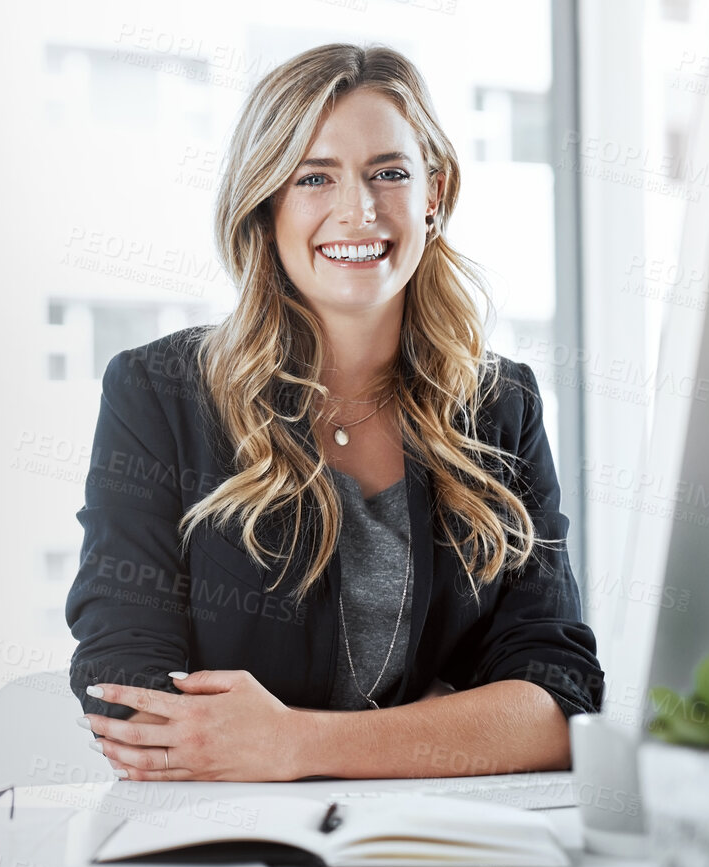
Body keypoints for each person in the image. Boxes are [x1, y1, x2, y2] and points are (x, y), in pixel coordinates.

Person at [67, 43, 602, 782]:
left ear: (433, 194)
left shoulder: (501, 406)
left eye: (389, 173)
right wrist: (457, 722)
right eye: (314, 177)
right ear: (267, 201)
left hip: (436, 840)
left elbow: (558, 701)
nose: (360, 210)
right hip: (231, 846)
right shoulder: (159, 393)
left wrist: (292, 743)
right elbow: (125, 693)